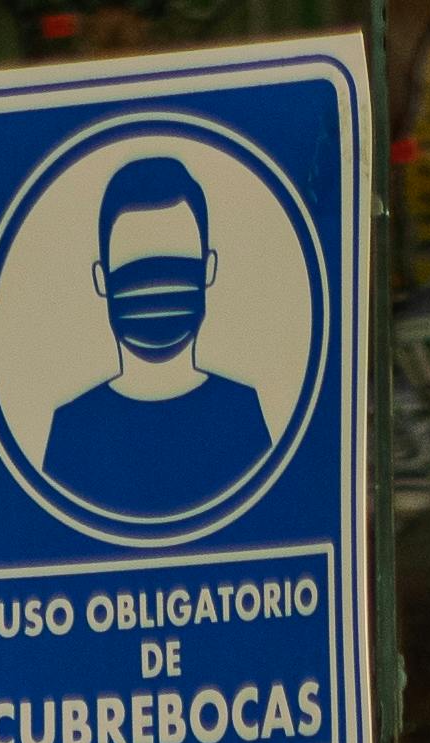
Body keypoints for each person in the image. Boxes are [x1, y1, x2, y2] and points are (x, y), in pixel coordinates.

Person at [43, 152, 271, 517]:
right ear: (102, 279)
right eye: (137, 268)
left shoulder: (241, 415)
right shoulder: (73, 432)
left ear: (208, 268)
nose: (156, 284)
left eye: (175, 265)